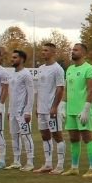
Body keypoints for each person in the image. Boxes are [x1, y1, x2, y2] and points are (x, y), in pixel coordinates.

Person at [62, 43, 92, 177]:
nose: (73, 52)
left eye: (76, 50)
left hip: (83, 110)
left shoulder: (89, 69)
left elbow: (90, 90)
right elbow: (67, 89)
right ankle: (74, 167)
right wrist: (62, 105)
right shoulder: (70, 69)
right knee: (73, 138)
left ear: (83, 53)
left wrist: (86, 109)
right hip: (71, 110)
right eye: (72, 50)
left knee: (87, 137)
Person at [33, 42, 66, 174]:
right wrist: (37, 105)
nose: (43, 52)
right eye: (42, 50)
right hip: (41, 108)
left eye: (46, 50)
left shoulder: (57, 69)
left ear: (53, 52)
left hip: (51, 109)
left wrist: (54, 107)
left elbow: (60, 89)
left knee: (57, 135)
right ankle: (47, 164)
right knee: (44, 135)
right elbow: (39, 88)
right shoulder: (41, 68)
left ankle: (60, 165)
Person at [7, 50, 36, 171]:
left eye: (15, 57)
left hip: (22, 111)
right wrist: (9, 110)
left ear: (22, 59)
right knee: (14, 136)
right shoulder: (12, 74)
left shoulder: (26, 74)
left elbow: (31, 93)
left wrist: (28, 111)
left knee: (26, 136)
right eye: (12, 57)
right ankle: (16, 161)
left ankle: (30, 162)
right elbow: (11, 93)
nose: (12, 59)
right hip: (13, 111)